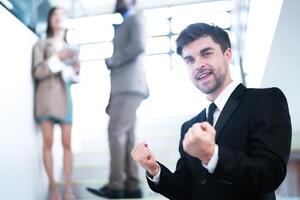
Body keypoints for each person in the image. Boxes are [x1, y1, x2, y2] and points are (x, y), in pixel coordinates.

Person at [131, 23, 292, 200]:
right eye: (189, 60)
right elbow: (185, 191)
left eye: (206, 53)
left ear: (227, 55)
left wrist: (212, 156)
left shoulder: (265, 100)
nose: (198, 65)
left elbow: (270, 174)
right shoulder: (190, 127)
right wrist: (154, 169)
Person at [86, 0, 148, 199]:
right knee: (127, 136)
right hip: (125, 87)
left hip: (129, 86)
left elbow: (139, 45)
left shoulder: (137, 17)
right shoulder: (126, 20)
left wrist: (114, 59)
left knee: (116, 132)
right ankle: (132, 185)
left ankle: (115, 185)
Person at [32, 7, 80, 200]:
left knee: (67, 143)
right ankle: (53, 188)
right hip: (47, 98)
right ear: (50, 20)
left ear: (67, 21)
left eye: (62, 15)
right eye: (55, 15)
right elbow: (38, 72)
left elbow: (73, 77)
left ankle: (68, 189)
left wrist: (76, 71)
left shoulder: (72, 47)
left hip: (66, 96)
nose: (58, 18)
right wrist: (57, 58)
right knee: (48, 142)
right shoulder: (41, 44)